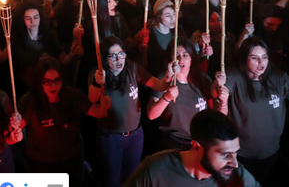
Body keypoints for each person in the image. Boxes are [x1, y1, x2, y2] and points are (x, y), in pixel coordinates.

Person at [213, 37, 289, 186]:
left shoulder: (278, 77)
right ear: (245, 59)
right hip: (239, 152)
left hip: (270, 151)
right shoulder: (235, 76)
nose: (261, 62)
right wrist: (220, 88)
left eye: (264, 57)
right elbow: (216, 94)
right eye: (255, 58)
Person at [89, 36, 179, 187]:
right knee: (113, 179)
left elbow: (160, 85)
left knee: (133, 176)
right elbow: (92, 98)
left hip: (135, 135)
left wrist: (169, 74)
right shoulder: (98, 74)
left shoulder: (133, 69)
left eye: (121, 54)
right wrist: (97, 83)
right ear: (104, 58)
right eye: (113, 56)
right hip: (112, 138)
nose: (119, 59)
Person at [18, 57, 110, 184]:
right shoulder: (29, 102)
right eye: (47, 81)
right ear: (40, 81)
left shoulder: (73, 95)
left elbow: (97, 112)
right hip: (42, 164)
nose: (53, 85)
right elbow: (16, 130)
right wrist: (15, 128)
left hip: (71, 160)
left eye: (57, 80)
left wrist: (104, 106)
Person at [122, 109, 260, 187]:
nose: (235, 163)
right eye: (225, 154)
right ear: (197, 148)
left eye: (235, 153)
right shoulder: (154, 171)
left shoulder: (238, 177)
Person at [147, 37, 224, 150]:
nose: (180, 59)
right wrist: (166, 98)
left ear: (192, 58)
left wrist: (222, 98)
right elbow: (151, 115)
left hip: (198, 142)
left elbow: (215, 112)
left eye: (185, 55)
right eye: (176, 55)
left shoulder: (202, 79)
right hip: (172, 142)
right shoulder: (165, 79)